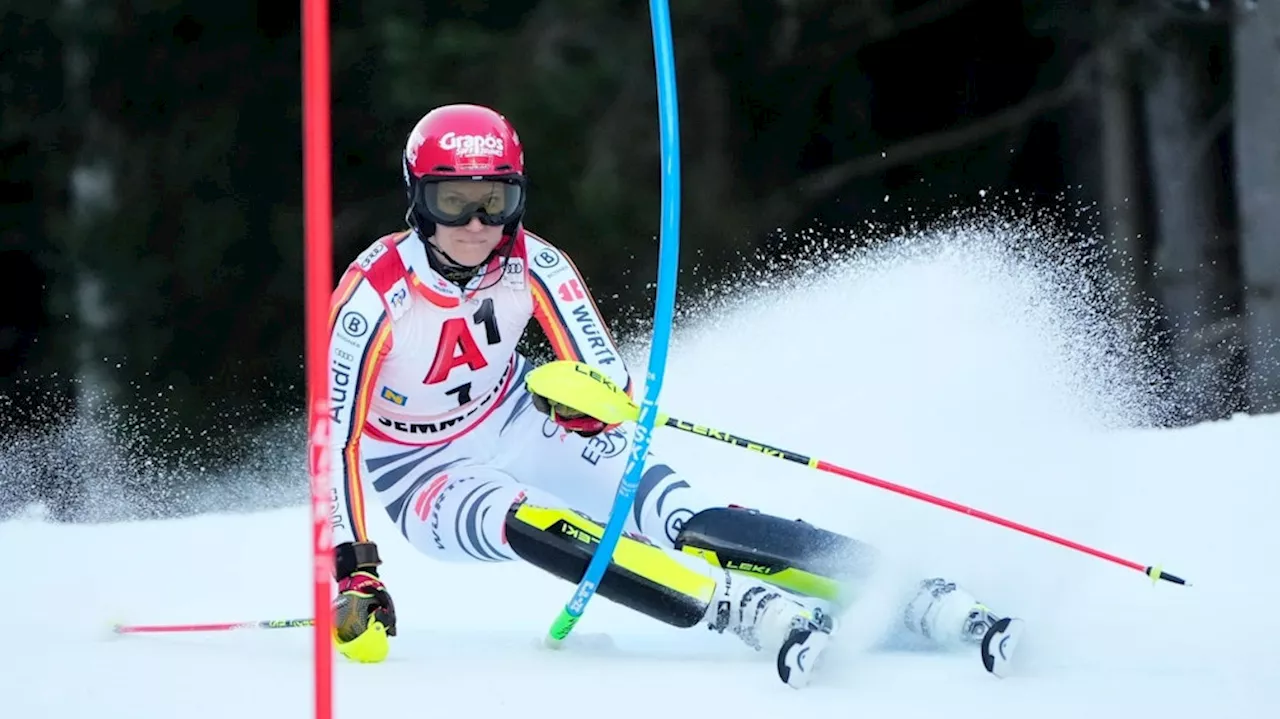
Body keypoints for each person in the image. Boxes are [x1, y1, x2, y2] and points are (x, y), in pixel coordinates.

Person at [324, 103, 1015, 687]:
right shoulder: (372, 296)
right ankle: (735, 608)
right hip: (417, 470)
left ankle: (903, 587)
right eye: (454, 201)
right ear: (418, 200)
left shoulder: (536, 263)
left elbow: (605, 377)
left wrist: (588, 408)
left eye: (495, 200)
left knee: (678, 513)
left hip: (513, 419)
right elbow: (338, 440)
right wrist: (356, 569)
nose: (477, 224)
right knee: (526, 519)